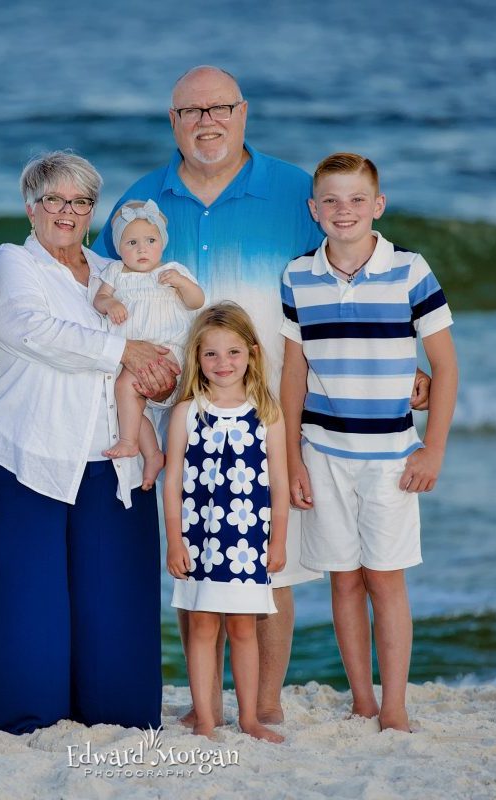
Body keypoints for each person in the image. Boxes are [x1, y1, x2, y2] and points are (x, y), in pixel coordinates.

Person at [94, 64, 431, 726]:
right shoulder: (141, 199)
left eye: (218, 108)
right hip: (179, 415)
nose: (205, 122)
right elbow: (103, 291)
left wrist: (404, 366)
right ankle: (206, 706)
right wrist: (126, 360)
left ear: (243, 112)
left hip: (273, 415)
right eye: (190, 112)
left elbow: (347, 280)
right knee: (194, 569)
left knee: (270, 575)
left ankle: (265, 701)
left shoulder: (294, 192)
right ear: (173, 122)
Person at [0, 151, 173, 735]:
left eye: (80, 201)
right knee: (29, 608)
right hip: (29, 458)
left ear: (92, 211)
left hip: (113, 461)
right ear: (30, 207)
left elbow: (154, 342)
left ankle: (116, 717)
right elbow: (30, 330)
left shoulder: (111, 270)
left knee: (117, 612)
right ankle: (32, 720)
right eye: (54, 200)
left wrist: (158, 385)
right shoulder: (15, 263)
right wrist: (123, 352)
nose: (67, 212)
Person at [281, 153, 458, 731]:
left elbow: (446, 367)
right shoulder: (297, 276)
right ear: (314, 210)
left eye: (357, 199)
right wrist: (291, 461)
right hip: (322, 452)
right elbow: (292, 375)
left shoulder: (409, 270)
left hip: (391, 458)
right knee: (343, 578)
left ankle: (396, 706)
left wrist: (432, 448)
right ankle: (362, 698)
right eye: (330, 200)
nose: (344, 210)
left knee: (385, 578)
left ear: (377, 205)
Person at [164, 303, 288, 743]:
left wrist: (278, 542)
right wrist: (174, 541)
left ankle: (250, 718)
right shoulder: (186, 413)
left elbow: (279, 485)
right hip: (199, 539)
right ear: (197, 357)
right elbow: (173, 481)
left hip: (248, 539)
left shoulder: (266, 413)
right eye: (211, 354)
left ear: (252, 353)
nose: (223, 364)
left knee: (242, 627)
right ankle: (205, 717)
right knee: (201, 625)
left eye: (233, 353)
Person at [93, 199, 204, 487]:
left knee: (124, 389)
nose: (142, 248)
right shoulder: (116, 273)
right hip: (130, 356)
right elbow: (99, 298)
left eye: (150, 240)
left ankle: (129, 442)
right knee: (125, 400)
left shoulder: (171, 271)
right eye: (131, 242)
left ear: (162, 244)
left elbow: (197, 302)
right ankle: (152, 454)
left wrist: (181, 283)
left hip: (168, 350)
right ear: (119, 248)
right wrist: (110, 302)